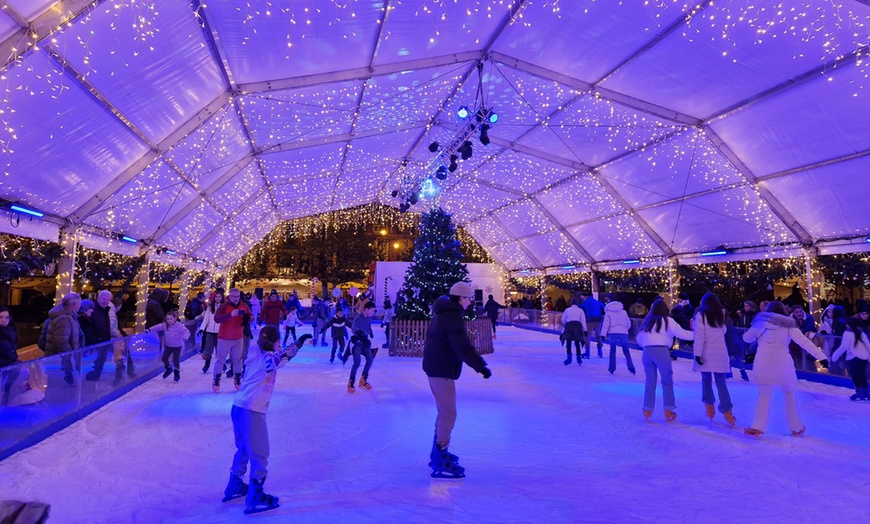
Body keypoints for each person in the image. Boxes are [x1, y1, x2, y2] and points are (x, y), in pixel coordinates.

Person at [222, 326, 311, 515]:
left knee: (245, 449)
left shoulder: (254, 352)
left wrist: (291, 345)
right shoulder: (269, 359)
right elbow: (279, 359)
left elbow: (277, 354)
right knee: (260, 453)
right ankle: (255, 496)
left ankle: (235, 485)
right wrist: (298, 344)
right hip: (252, 410)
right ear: (275, 341)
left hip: (238, 406)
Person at [422, 282, 492, 479]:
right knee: (448, 415)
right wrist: (480, 366)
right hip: (441, 368)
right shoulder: (452, 317)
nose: (470, 302)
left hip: (436, 366)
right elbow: (462, 346)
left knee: (444, 413)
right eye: (469, 298)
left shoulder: (443, 313)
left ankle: (437, 452)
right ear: (461, 298)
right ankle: (440, 455)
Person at [742, 301, 828, 437]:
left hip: (763, 363)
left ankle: (758, 425)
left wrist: (753, 328)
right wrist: (821, 357)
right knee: (789, 393)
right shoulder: (789, 326)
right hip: (783, 363)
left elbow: (746, 339)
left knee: (764, 393)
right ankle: (796, 426)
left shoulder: (760, 323)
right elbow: (804, 342)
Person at [636, 299, 694, 422]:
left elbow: (639, 338)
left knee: (650, 382)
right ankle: (668, 410)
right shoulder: (668, 321)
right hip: (661, 351)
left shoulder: (647, 322)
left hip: (647, 352)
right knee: (667, 381)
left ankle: (647, 409)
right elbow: (682, 334)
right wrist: (698, 334)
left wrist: (647, 344)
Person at [691, 293, 737, 426]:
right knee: (721, 383)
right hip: (720, 353)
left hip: (705, 353)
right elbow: (723, 331)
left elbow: (700, 336)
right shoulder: (722, 314)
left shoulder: (700, 315)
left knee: (706, 380)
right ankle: (727, 411)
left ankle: (709, 406)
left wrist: (697, 355)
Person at [213, 288, 253, 392]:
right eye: (233, 297)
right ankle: (216, 379)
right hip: (224, 337)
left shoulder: (244, 305)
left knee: (237, 359)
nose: (236, 299)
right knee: (221, 359)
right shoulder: (224, 306)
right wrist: (230, 315)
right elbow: (216, 319)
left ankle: (238, 378)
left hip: (238, 337)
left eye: (237, 296)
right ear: (229, 296)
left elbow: (250, 315)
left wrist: (249, 318)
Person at [830, 305, 870, 401]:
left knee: (856, 375)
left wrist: (834, 357)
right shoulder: (860, 332)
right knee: (861, 375)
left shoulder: (848, 333)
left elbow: (843, 347)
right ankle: (865, 392)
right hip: (864, 357)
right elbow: (868, 344)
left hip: (855, 358)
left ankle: (860, 392)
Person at [44, 293, 82, 386]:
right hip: (61, 360)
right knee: (59, 386)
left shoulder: (69, 316)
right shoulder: (64, 318)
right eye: (79, 303)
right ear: (75, 304)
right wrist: (69, 357)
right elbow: (61, 340)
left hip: (61, 359)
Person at [147, 310, 190, 382]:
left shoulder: (179, 326)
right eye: (167, 319)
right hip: (168, 346)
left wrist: (185, 337)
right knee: (164, 358)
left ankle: (176, 373)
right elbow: (157, 327)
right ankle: (168, 368)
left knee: (175, 360)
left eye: (171, 319)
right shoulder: (165, 325)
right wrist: (149, 329)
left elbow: (186, 331)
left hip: (177, 346)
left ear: (175, 318)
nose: (169, 321)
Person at [601, 295, 635, 375]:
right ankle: (631, 367)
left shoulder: (608, 312)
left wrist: (603, 334)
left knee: (612, 350)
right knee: (626, 350)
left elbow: (606, 324)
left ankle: (612, 368)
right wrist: (625, 329)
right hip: (623, 332)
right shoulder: (624, 312)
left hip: (613, 332)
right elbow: (628, 323)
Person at [86, 290, 114, 381]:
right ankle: (92, 376)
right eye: (103, 299)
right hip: (95, 341)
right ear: (98, 298)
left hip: (104, 340)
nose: (105, 301)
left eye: (108, 299)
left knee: (101, 360)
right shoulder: (92, 310)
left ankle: (96, 375)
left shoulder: (106, 310)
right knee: (94, 360)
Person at [347, 301, 375, 393]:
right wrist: (358, 332)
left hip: (365, 342)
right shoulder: (358, 318)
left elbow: (368, 326)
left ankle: (363, 380)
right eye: (372, 310)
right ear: (366, 309)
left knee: (370, 359)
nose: (373, 312)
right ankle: (351, 383)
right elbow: (353, 327)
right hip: (357, 343)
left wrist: (370, 332)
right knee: (357, 362)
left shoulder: (369, 318)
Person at [198, 288, 223, 374]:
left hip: (219, 332)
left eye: (219, 297)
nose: (218, 298)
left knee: (219, 349)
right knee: (208, 349)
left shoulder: (224, 307)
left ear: (222, 298)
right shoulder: (209, 307)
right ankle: (207, 364)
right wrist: (202, 329)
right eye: (216, 297)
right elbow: (206, 319)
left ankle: (222, 365)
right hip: (209, 331)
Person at [559, 299, 586, 366]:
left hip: (569, 327)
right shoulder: (580, 311)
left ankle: (569, 357)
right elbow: (583, 321)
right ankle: (579, 357)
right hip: (577, 327)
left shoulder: (567, 310)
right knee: (577, 342)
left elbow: (563, 319)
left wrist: (567, 323)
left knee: (568, 342)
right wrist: (585, 330)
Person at [578, 292, 605, 358]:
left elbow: (580, 308)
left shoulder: (586, 302)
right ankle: (600, 351)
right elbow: (604, 307)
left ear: (586, 296)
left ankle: (587, 352)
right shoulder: (597, 302)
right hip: (598, 319)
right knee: (598, 335)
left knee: (587, 335)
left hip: (589, 319)